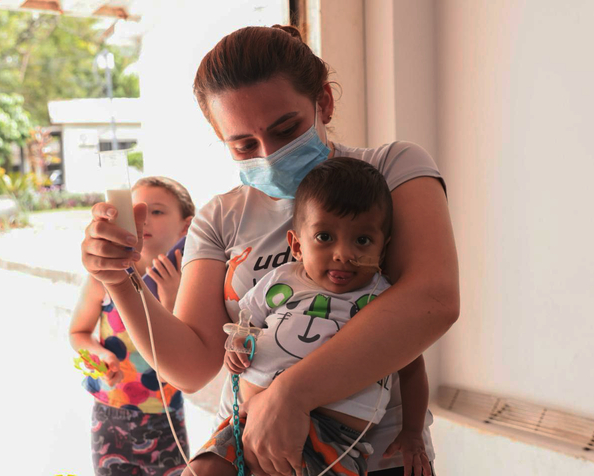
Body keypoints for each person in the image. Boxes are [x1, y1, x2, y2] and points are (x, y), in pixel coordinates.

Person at [80, 25, 459, 476]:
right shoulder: (220, 219)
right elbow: (192, 365)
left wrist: (291, 395)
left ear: (324, 102)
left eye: (287, 129)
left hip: (374, 459)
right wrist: (119, 280)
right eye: (244, 144)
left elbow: (432, 300)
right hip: (250, 453)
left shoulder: (391, 170)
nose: (270, 154)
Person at [190, 157, 434, 476]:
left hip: (332, 440)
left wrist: (413, 433)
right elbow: (245, 321)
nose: (343, 254)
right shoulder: (280, 281)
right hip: (248, 422)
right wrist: (237, 343)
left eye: (362, 240)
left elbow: (412, 367)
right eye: (324, 237)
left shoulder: (383, 299)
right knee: (200, 471)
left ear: (383, 248)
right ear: (296, 245)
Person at [70, 176, 195, 476]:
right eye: (136, 211)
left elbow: (188, 354)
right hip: (109, 416)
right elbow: (78, 332)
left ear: (186, 226)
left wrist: (172, 300)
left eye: (157, 211)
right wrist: (100, 354)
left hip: (166, 419)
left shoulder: (191, 283)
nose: (144, 221)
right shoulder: (104, 277)